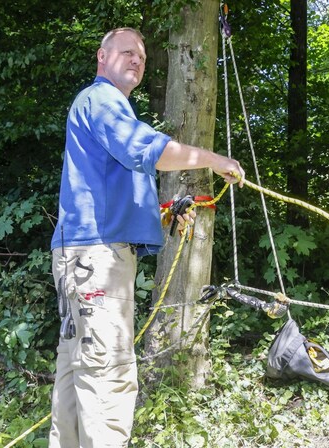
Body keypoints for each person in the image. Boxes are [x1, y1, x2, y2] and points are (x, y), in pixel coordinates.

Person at [49, 27, 245, 447]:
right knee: (109, 377)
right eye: (126, 52)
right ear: (102, 58)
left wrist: (159, 214)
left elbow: (114, 185)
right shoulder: (102, 101)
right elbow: (146, 150)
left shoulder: (109, 109)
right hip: (96, 260)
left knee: (76, 373)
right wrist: (214, 160)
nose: (136, 59)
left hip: (82, 255)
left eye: (141, 55)